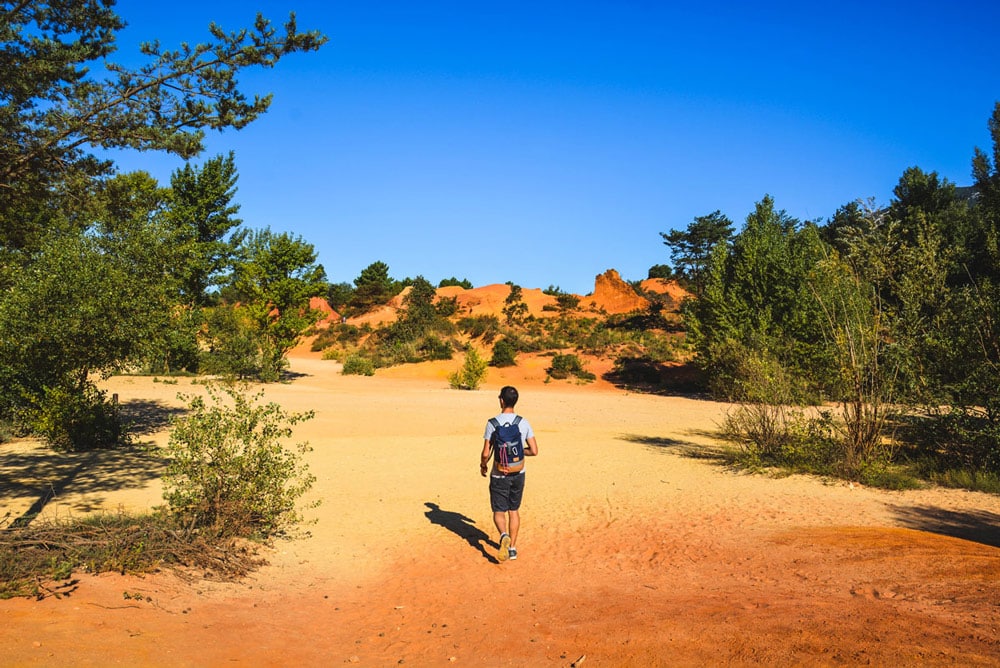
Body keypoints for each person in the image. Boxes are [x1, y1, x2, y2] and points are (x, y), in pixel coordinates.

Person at [480, 385, 538, 562]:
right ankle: (512, 548)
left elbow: (485, 452)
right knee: (514, 510)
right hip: (518, 472)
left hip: (499, 474)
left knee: (499, 511)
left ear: (501, 400)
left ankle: (503, 535)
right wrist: (521, 453)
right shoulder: (523, 422)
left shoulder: (492, 423)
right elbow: (534, 450)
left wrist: (483, 465)